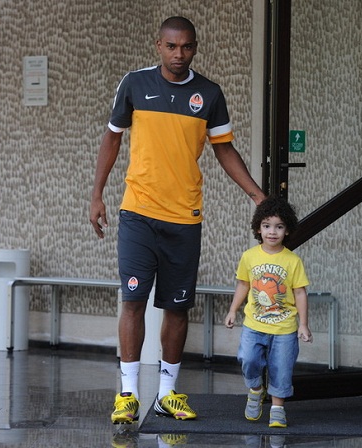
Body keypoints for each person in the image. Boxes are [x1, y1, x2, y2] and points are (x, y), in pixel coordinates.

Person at [89, 16, 266, 425]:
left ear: (195, 48)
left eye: (186, 47)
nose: (179, 54)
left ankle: (167, 394)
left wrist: (258, 195)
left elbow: (224, 149)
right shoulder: (134, 84)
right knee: (133, 301)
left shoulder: (210, 94)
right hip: (138, 213)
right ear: (159, 46)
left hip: (185, 218)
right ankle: (128, 395)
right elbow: (112, 137)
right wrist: (97, 194)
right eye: (171, 46)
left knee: (177, 307)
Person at [224, 196, 313, 428]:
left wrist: (303, 324)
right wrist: (233, 310)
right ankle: (255, 389)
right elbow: (243, 284)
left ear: (287, 230)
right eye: (267, 226)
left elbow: (300, 292)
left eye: (279, 226)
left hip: (284, 328)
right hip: (254, 325)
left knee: (281, 368)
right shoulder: (249, 256)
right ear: (258, 228)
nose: (272, 232)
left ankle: (277, 408)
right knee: (248, 358)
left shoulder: (293, 260)